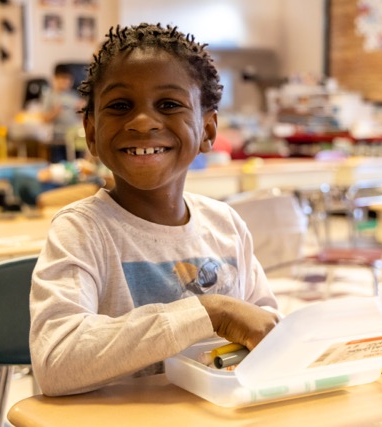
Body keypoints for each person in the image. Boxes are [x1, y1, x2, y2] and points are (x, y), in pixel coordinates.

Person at [29, 22, 280, 397]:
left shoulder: (224, 225)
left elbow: (267, 331)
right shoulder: (81, 232)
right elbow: (56, 361)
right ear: (92, 132)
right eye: (120, 106)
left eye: (169, 104)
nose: (143, 122)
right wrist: (209, 312)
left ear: (208, 130)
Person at [41, 64, 85, 163]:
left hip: (75, 137)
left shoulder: (74, 95)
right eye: (63, 79)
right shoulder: (50, 95)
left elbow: (82, 117)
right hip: (58, 137)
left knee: (78, 163)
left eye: (69, 79)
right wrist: (55, 112)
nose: (66, 82)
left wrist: (81, 110)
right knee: (58, 164)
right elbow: (44, 119)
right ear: (55, 79)